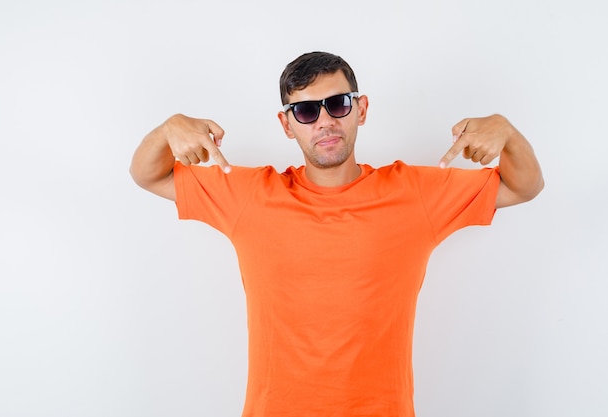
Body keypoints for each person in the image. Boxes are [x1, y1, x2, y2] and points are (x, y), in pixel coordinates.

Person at [130, 51, 543, 417]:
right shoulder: (250, 195)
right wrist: (169, 129)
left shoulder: (414, 193)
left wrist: (506, 132)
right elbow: (147, 173)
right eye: (306, 111)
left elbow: (524, 186)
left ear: (361, 109)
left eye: (338, 104)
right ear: (287, 124)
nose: (325, 122)